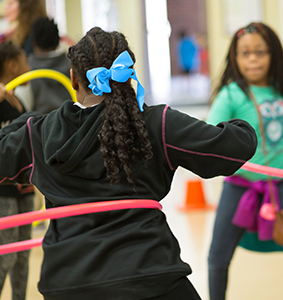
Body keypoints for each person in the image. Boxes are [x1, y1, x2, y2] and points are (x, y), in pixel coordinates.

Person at [0, 27, 257, 300]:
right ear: (128, 76)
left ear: (73, 78)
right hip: (149, 277)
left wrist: (20, 118)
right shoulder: (157, 125)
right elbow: (237, 146)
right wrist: (238, 112)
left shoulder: (38, 133)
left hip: (68, 283)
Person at [206, 22, 283, 300]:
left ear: (274, 56)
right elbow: (209, 133)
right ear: (234, 58)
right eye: (245, 53)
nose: (253, 59)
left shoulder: (279, 89)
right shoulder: (231, 95)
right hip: (241, 186)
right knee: (218, 257)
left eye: (261, 52)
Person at [0, 41, 34, 300]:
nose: (28, 68)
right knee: (5, 256)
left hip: (24, 189)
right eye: (24, 62)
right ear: (12, 65)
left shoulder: (16, 103)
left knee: (23, 257)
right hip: (4, 193)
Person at [27, 17, 71, 114]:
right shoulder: (72, 64)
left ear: (34, 41)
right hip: (71, 121)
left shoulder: (27, 68)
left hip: (40, 124)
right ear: (58, 40)